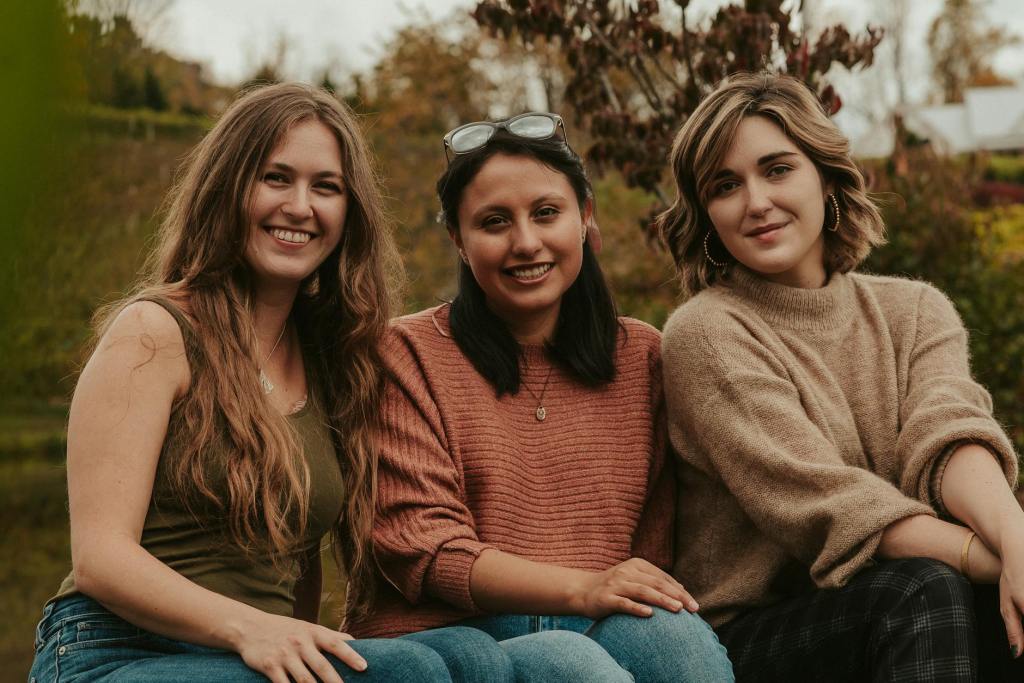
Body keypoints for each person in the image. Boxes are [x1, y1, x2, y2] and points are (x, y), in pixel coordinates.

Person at [28, 83, 512, 683]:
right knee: (411, 671)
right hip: (118, 652)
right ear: (228, 189)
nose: (301, 205)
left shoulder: (330, 361)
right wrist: (253, 629)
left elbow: (299, 568)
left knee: (467, 655)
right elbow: (101, 558)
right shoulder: (155, 332)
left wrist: (292, 636)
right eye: (275, 178)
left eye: (326, 187)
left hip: (246, 658)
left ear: (348, 213)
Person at [656, 71, 1024, 682]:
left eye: (777, 169)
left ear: (825, 176)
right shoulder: (707, 334)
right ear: (707, 213)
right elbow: (828, 504)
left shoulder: (915, 311)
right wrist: (990, 561)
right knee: (928, 588)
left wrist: (1015, 538)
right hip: (749, 638)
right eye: (725, 185)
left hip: (908, 600)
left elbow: (949, 436)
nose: (756, 202)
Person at [344, 112, 734, 682]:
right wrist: (584, 587)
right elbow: (425, 550)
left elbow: (651, 554)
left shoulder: (642, 357)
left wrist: (606, 592)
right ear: (458, 237)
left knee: (677, 639)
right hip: (449, 636)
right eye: (494, 222)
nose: (526, 243)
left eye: (546, 213)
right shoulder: (405, 354)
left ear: (585, 217)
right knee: (570, 664)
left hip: (597, 622)